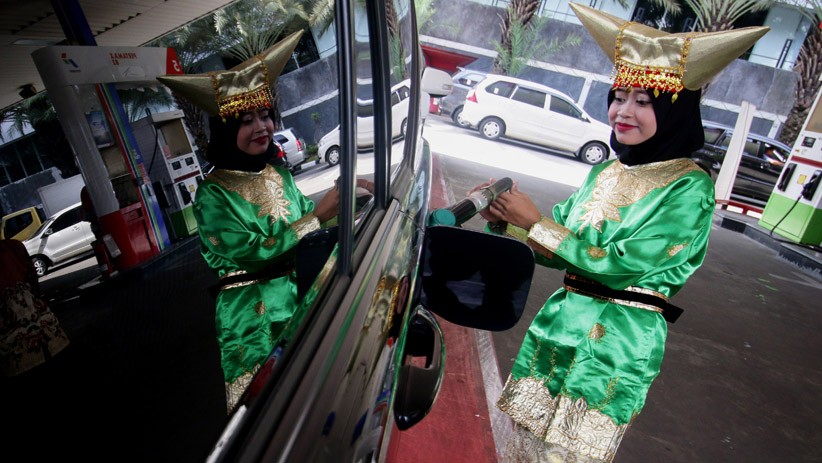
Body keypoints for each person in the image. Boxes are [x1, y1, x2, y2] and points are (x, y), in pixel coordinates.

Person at [471, 5, 768, 462]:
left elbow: (621, 265)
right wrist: (505, 216)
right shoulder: (606, 171)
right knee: (522, 443)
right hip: (560, 324)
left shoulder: (688, 186)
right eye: (619, 97)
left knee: (569, 452)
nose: (623, 112)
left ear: (674, 110)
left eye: (643, 102)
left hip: (618, 338)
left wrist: (535, 223)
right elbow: (559, 245)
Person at [157, 31, 359, 412]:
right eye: (246, 120)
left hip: (300, 295)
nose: (262, 127)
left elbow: (311, 222)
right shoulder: (212, 194)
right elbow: (252, 253)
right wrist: (317, 216)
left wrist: (352, 203)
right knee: (267, 410)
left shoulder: (277, 174)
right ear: (225, 129)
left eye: (265, 115)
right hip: (251, 316)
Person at [0, 238, 70, 376]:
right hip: (49, 334)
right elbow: (33, 281)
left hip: (18, 351)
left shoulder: (14, 247)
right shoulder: (14, 247)